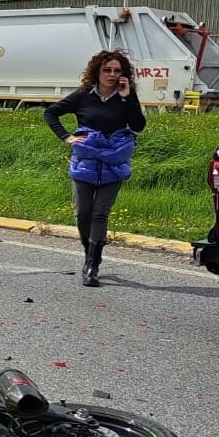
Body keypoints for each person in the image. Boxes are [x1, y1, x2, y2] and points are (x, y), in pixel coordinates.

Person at [43, 50, 147, 287]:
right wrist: (66, 137)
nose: (111, 75)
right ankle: (91, 251)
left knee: (100, 213)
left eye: (117, 70)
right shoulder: (83, 96)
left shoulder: (125, 96)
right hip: (86, 163)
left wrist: (127, 97)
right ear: (97, 71)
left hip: (114, 162)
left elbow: (138, 126)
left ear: (124, 74)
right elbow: (50, 113)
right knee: (83, 214)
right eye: (106, 70)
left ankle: (92, 265)